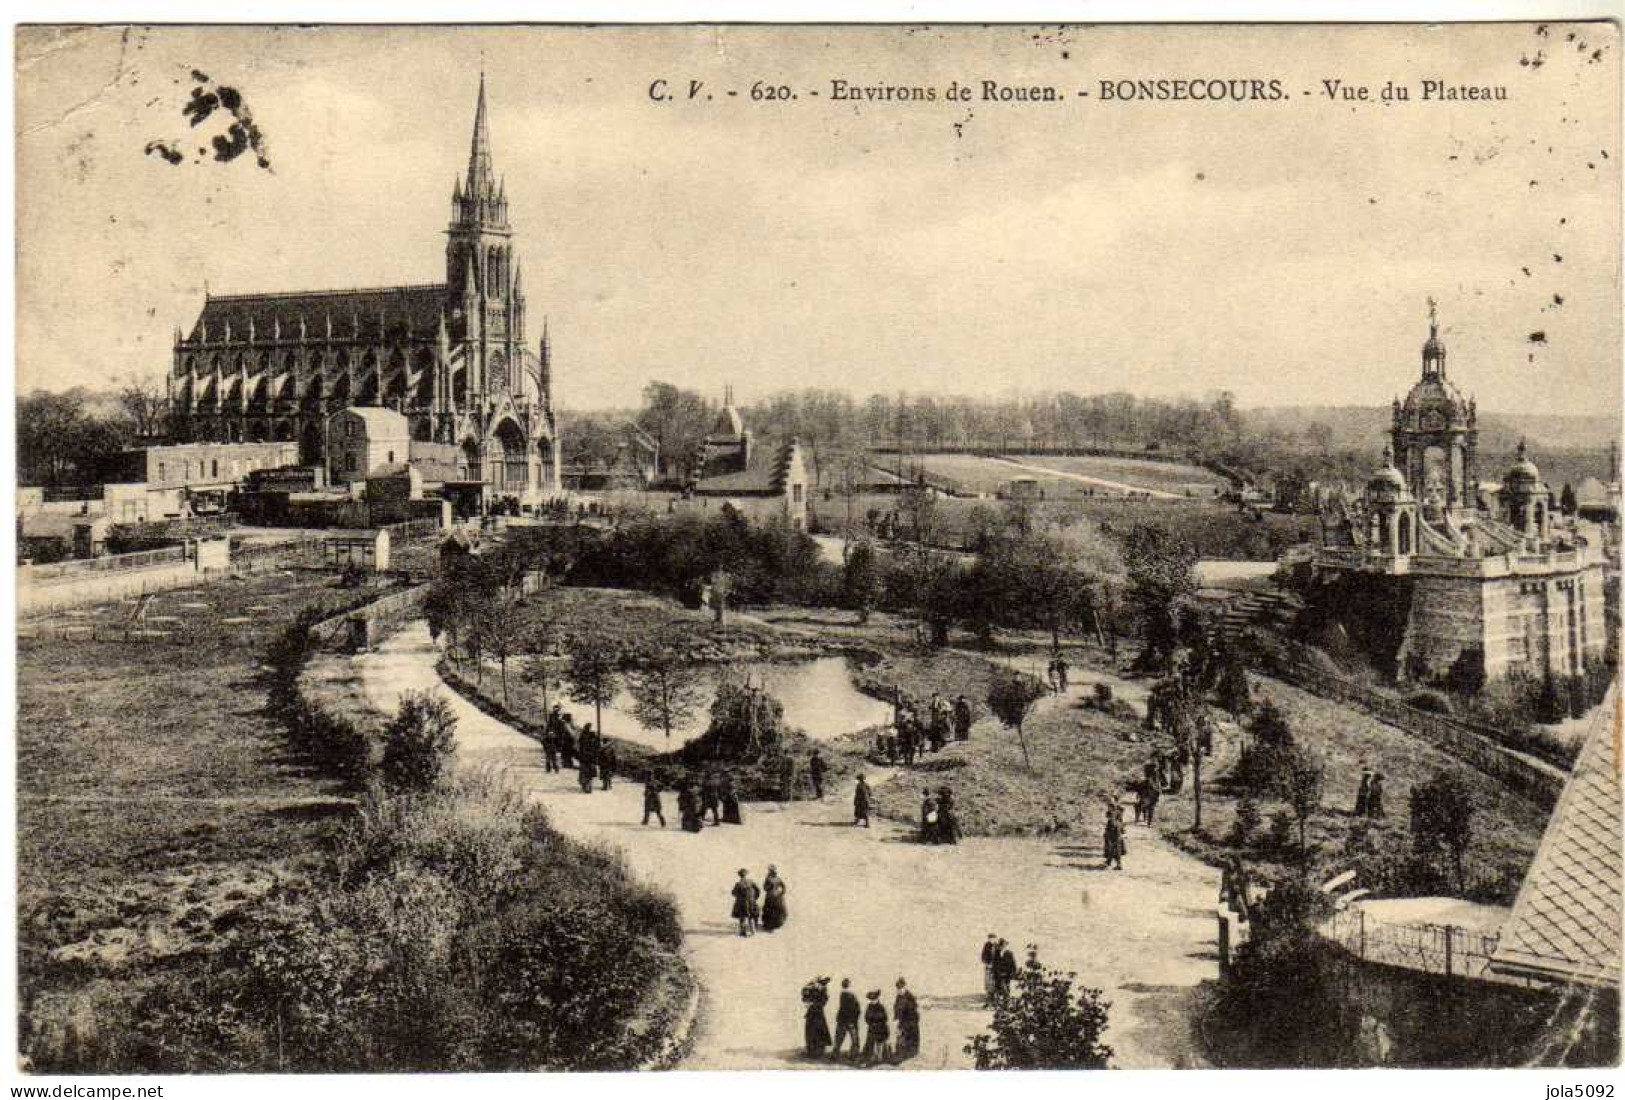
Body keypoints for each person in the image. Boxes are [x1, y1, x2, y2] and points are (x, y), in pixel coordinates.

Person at [802, 977, 833, 1059]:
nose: (821, 985)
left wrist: (812, 1003)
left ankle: (819, 1051)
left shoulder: (823, 990)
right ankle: (812, 1051)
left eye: (823, 983)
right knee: (811, 1032)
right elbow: (804, 997)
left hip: (818, 1013)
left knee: (819, 1032)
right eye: (821, 983)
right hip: (812, 1013)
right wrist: (808, 987)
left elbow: (823, 1001)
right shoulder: (811, 988)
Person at [833, 979, 862, 1060]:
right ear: (849, 985)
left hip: (843, 1020)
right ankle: (853, 1055)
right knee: (854, 1039)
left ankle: (835, 1054)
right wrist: (853, 1020)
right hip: (850, 1021)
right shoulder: (851, 995)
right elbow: (857, 1010)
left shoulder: (842, 994)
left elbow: (855, 1009)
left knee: (839, 1038)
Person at [893, 978, 920, 1060]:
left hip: (910, 1023)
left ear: (905, 987)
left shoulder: (910, 997)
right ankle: (900, 1052)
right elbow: (896, 1008)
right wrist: (896, 1018)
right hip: (902, 1022)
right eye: (898, 989)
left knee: (909, 1039)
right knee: (900, 1038)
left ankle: (910, 1052)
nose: (900, 990)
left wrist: (904, 1023)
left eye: (901, 988)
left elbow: (912, 1012)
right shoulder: (898, 997)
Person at [862, 991, 891, 1064]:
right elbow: (866, 1017)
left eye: (874, 999)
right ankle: (873, 1056)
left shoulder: (881, 1007)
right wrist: (870, 1023)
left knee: (880, 1043)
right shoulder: (869, 1006)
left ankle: (880, 1057)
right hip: (872, 1028)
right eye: (871, 999)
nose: (872, 1001)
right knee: (871, 1042)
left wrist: (877, 1022)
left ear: (877, 999)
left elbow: (885, 1018)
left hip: (881, 1028)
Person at [1220, 855, 1252, 922]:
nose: (1230, 863)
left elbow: (1245, 880)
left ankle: (1243, 915)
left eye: (1231, 862)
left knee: (1242, 902)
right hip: (1232, 890)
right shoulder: (1227, 871)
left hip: (1240, 890)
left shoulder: (1240, 870)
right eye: (1228, 862)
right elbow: (1225, 882)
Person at [731, 869, 758, 937]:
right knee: (751, 916)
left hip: (742, 903)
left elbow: (734, 893)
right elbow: (758, 890)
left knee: (742, 918)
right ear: (746, 874)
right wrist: (754, 898)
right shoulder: (751, 881)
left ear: (740, 875)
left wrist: (739, 896)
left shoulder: (738, 884)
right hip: (751, 902)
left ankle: (743, 933)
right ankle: (753, 932)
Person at [761, 865, 787, 932]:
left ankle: (775, 924)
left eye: (771, 871)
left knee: (776, 910)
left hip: (774, 896)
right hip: (772, 895)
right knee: (770, 910)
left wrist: (782, 892)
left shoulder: (774, 878)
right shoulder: (770, 878)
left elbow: (783, 886)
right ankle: (770, 925)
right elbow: (764, 888)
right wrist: (781, 892)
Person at [1103, 799, 1126, 870]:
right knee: (1114, 849)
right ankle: (1109, 862)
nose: (1108, 808)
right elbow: (1121, 823)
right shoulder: (1117, 812)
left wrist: (1107, 833)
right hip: (1117, 832)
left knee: (1114, 849)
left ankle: (1118, 864)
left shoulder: (1113, 815)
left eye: (1109, 807)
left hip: (1114, 833)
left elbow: (1112, 824)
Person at [980, 934, 999, 1006]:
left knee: (995, 981)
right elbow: (983, 956)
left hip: (996, 967)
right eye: (990, 938)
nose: (992, 940)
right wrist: (987, 963)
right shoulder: (987, 945)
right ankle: (989, 995)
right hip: (988, 966)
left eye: (993, 938)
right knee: (988, 981)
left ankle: (995, 995)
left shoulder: (997, 945)